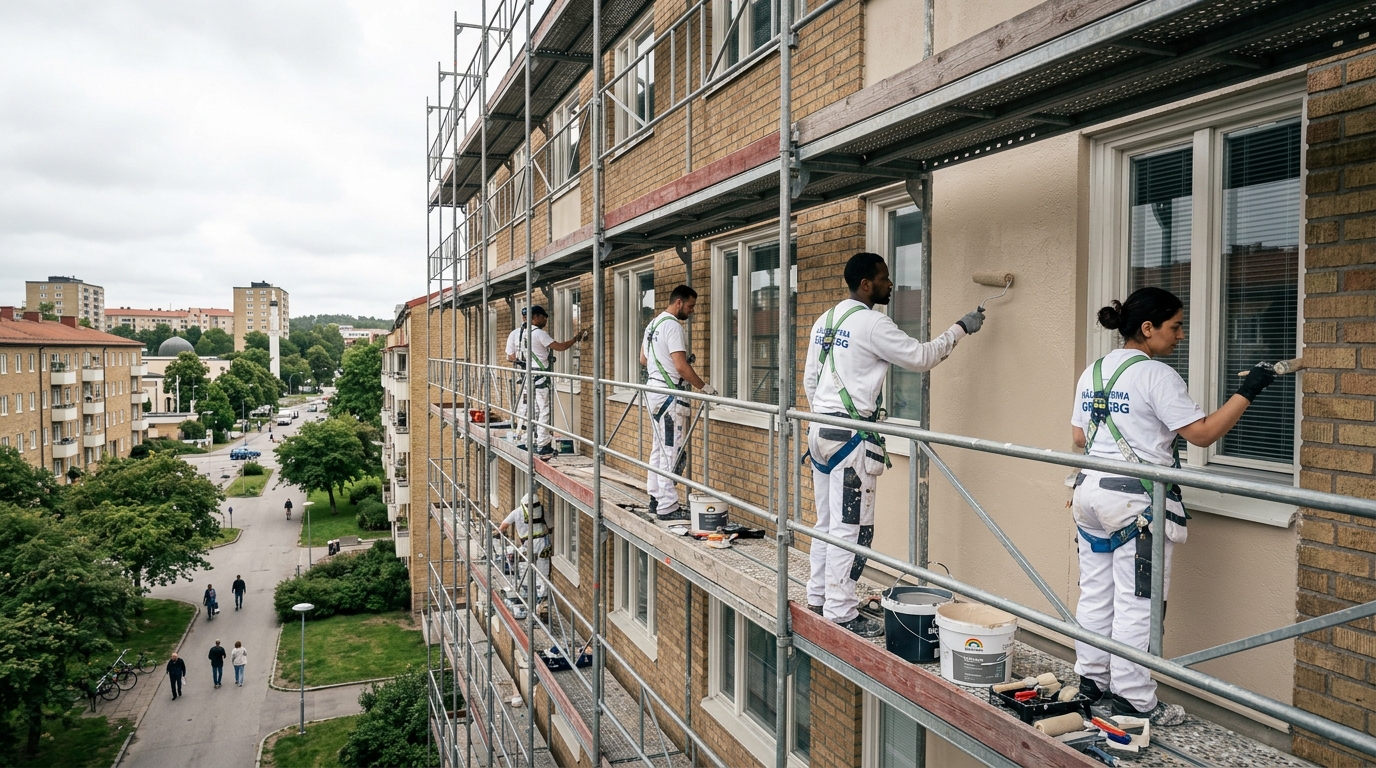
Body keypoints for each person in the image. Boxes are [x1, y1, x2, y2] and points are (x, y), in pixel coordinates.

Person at [1069, 287, 1275, 726]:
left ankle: (1091, 682)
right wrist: (1249, 390)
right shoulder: (1156, 375)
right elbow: (1201, 434)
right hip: (1133, 504)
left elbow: (1079, 438)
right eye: (1176, 327)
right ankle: (1134, 701)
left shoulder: (1094, 371)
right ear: (1148, 328)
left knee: (1096, 595)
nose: (1180, 336)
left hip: (1089, 495)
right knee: (1137, 604)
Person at [804, 252, 986, 637]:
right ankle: (840, 610)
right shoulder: (872, 323)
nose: (892, 285)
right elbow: (921, 357)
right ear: (866, 284)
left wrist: (826, 415)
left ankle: (818, 597)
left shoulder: (826, 320)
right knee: (850, 529)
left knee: (826, 523)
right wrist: (960, 329)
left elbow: (809, 380)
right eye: (885, 278)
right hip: (849, 439)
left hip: (820, 432)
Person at [639, 285, 712, 521]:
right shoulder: (672, 326)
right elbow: (681, 366)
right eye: (690, 306)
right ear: (678, 302)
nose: (691, 311)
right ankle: (668, 506)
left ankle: (655, 497)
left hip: (654, 392)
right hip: (670, 396)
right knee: (672, 450)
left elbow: (643, 359)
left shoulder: (652, 325)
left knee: (659, 448)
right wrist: (705, 388)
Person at [513, 305, 587, 457]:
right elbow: (559, 347)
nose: (545, 320)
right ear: (536, 317)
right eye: (543, 317)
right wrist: (575, 339)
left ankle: (529, 440)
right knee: (544, 409)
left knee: (531, 410)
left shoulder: (523, 334)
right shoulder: (539, 333)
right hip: (539, 376)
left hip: (528, 375)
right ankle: (543, 444)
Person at [499, 493, 552, 592]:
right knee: (543, 569)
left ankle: (528, 589)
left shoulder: (516, 512)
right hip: (543, 542)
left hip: (528, 543)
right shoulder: (542, 511)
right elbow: (550, 528)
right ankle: (541, 593)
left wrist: (500, 533)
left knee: (526, 566)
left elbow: (503, 526)